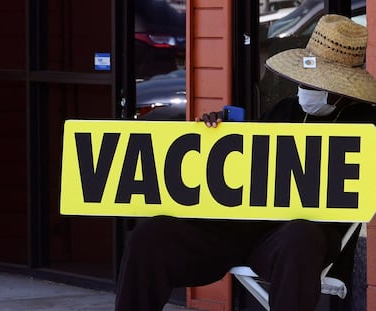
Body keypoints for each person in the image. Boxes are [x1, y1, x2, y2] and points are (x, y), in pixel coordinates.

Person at [115, 14, 376, 311]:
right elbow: (247, 160)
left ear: (344, 90)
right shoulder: (284, 109)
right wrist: (219, 135)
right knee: (150, 235)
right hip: (240, 229)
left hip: (294, 242)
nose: (306, 89)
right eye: (305, 81)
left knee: (300, 233)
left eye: (317, 84)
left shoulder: (367, 124)